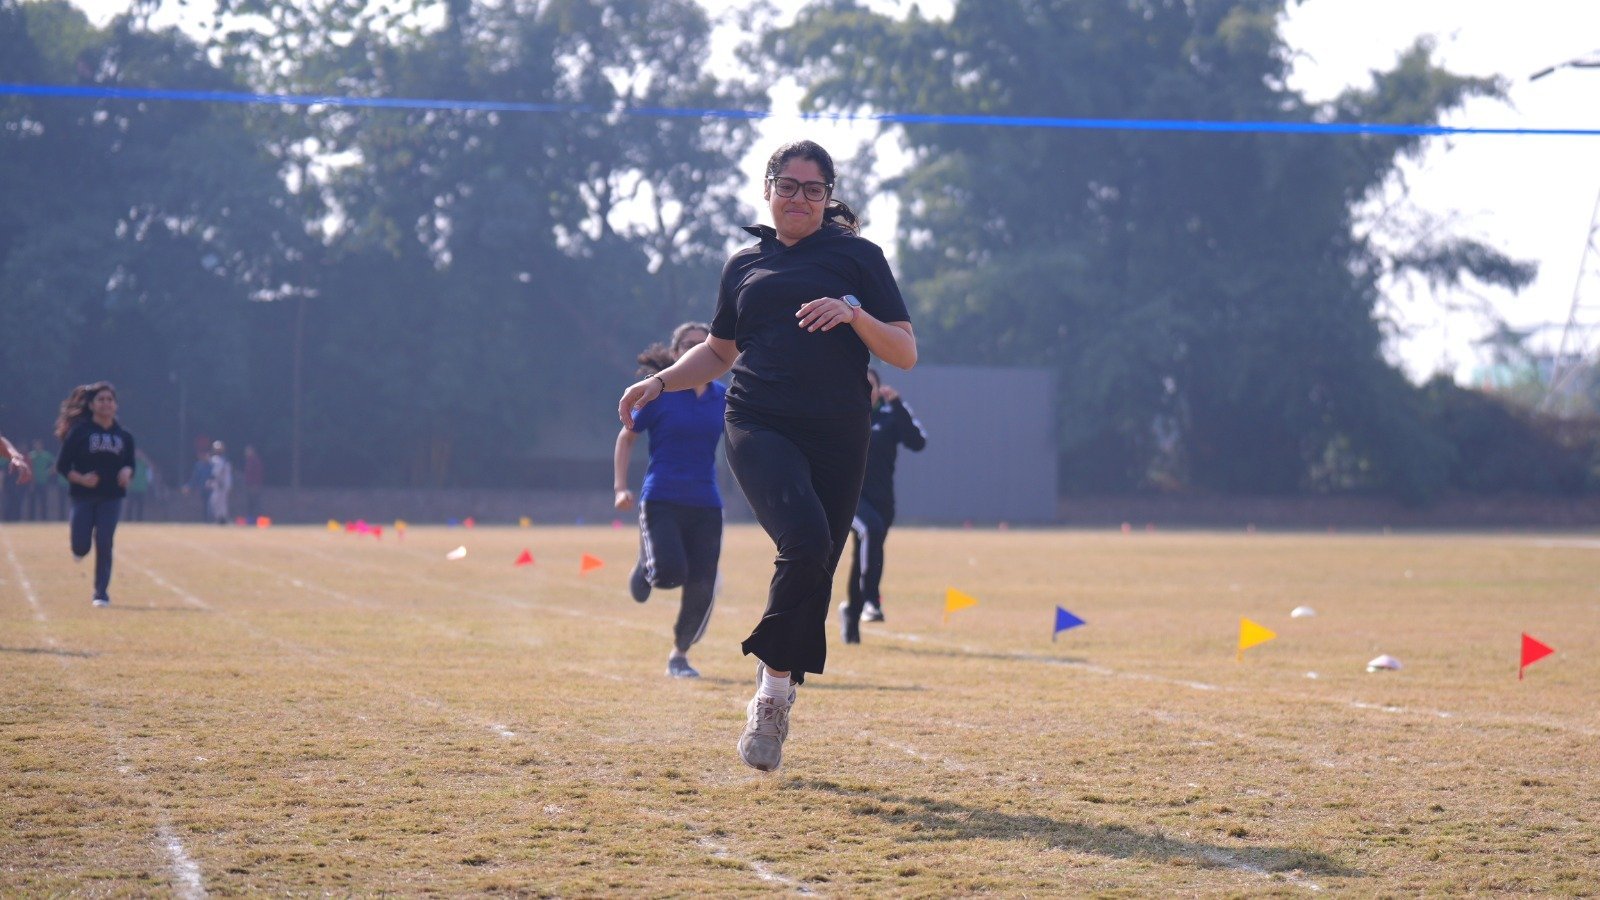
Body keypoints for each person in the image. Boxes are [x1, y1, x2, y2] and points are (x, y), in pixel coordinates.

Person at [617, 140, 917, 772]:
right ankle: (772, 696)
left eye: (814, 189)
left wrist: (853, 313)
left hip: (839, 432)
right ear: (768, 188)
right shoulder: (744, 265)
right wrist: (660, 382)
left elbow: (903, 351)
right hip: (758, 422)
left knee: (818, 563)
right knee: (804, 541)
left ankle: (776, 681)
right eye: (788, 185)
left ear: (829, 196)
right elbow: (719, 351)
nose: (799, 198)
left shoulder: (859, 258)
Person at [613, 322, 727, 679]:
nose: (696, 350)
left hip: (707, 502)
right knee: (670, 574)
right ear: (676, 353)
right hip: (661, 498)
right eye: (688, 345)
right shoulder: (659, 394)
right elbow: (626, 437)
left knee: (703, 585)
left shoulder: (723, 397)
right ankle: (646, 566)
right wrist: (620, 487)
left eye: (703, 345)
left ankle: (680, 655)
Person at [840, 369, 928, 643]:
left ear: (879, 389)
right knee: (871, 530)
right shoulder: (841, 412)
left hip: (882, 499)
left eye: (871, 385)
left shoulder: (892, 414)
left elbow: (918, 442)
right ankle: (872, 600)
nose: (866, 390)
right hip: (848, 497)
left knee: (865, 554)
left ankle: (852, 614)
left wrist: (897, 404)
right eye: (861, 384)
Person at [54, 382, 135, 607]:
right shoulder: (79, 432)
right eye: (101, 399)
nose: (106, 403)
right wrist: (81, 479)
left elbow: (130, 463)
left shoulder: (124, 436)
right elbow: (62, 466)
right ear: (91, 405)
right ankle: (79, 550)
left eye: (110, 400)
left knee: (105, 541)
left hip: (112, 496)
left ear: (115, 405)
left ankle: (101, 593)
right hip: (83, 496)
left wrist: (127, 471)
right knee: (81, 546)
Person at [1, 433, 34, 522]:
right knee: (10, 501)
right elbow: (5, 472)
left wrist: (30, 483)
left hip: (20, 485)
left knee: (18, 502)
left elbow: (30, 471)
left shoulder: (25, 457)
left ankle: (16, 518)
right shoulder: (8, 457)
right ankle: (8, 518)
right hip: (10, 484)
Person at [26, 439, 56, 521]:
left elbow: (55, 464)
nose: (37, 446)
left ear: (41, 445)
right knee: (32, 502)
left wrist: (49, 472)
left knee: (43, 501)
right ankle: (31, 519)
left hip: (43, 482)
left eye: (38, 444)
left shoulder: (46, 455)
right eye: (36, 444)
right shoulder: (31, 456)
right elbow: (27, 467)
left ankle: (44, 519)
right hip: (33, 482)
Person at [207, 441, 233, 525]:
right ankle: (220, 518)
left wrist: (211, 481)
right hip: (219, 484)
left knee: (219, 501)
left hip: (221, 484)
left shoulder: (221, 459)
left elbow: (216, 472)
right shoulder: (217, 459)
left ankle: (222, 519)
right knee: (217, 501)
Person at [183, 449, 212, 522]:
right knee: (205, 505)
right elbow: (194, 478)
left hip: (213, 489)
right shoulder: (199, 465)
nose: (205, 456)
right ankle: (206, 520)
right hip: (203, 489)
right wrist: (188, 486)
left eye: (206, 455)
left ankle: (214, 519)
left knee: (212, 504)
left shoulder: (213, 465)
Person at [243, 445, 265, 522]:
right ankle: (250, 520)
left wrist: (256, 484)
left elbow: (258, 473)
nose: (246, 453)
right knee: (250, 503)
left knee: (255, 503)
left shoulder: (255, 461)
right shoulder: (248, 461)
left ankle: (257, 519)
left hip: (254, 485)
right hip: (249, 485)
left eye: (248, 451)